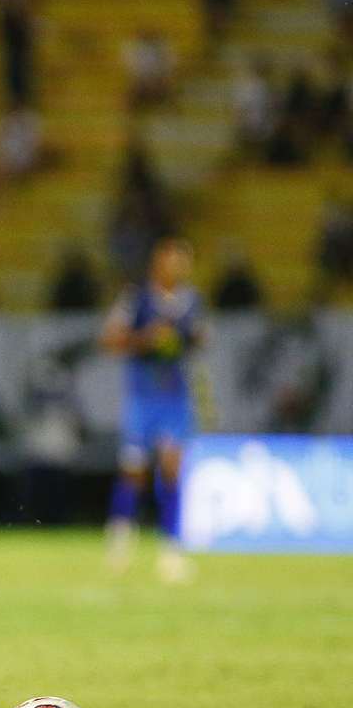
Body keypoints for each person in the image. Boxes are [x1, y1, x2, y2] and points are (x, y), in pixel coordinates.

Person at [100, 238, 206, 583]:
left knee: (173, 468)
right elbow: (110, 339)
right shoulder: (136, 298)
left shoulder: (192, 301)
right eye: (170, 260)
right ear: (156, 264)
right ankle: (120, 540)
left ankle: (171, 550)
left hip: (175, 398)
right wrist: (145, 339)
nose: (176, 267)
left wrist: (189, 339)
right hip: (142, 398)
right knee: (134, 471)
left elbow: (201, 338)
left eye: (182, 261)